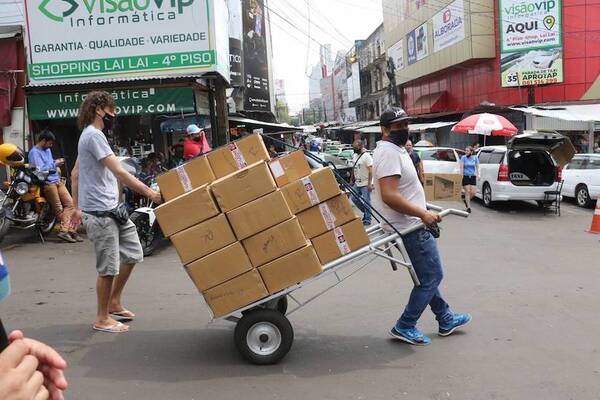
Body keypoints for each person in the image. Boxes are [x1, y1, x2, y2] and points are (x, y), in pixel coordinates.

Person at [372, 107, 471, 346]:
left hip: (410, 222)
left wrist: (424, 207)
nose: (403, 129)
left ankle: (445, 318)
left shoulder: (396, 150)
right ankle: (405, 325)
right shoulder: (388, 154)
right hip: (409, 226)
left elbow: (404, 190)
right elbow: (389, 196)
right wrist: (422, 214)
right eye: (397, 126)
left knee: (426, 277)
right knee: (432, 276)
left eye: (405, 124)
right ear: (385, 129)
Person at [70, 91, 163, 333]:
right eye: (112, 110)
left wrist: (76, 207)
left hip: (114, 210)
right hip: (100, 214)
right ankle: (102, 318)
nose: (115, 114)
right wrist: (151, 194)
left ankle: (113, 302)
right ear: (99, 109)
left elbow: (76, 173)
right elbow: (120, 172)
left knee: (133, 253)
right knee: (108, 268)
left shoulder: (93, 136)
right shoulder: (93, 136)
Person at [28, 130, 82, 243]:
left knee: (71, 204)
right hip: (47, 183)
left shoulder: (47, 150)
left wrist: (55, 162)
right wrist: (54, 163)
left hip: (57, 180)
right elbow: (40, 170)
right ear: (43, 140)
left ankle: (68, 231)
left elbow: (49, 164)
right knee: (58, 209)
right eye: (50, 143)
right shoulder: (34, 153)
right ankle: (67, 231)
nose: (51, 146)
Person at [350, 139, 373, 226]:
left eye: (355, 147)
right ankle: (367, 212)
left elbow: (371, 170)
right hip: (357, 182)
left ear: (361, 146)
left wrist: (370, 184)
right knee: (353, 198)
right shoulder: (355, 155)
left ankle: (368, 219)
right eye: (353, 147)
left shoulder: (366, 156)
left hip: (365, 182)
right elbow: (353, 168)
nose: (354, 149)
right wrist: (351, 179)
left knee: (367, 201)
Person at [459, 146, 480, 213]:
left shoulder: (475, 157)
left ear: (471, 152)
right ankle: (469, 207)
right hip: (466, 176)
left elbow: (478, 167)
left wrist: (479, 174)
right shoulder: (463, 158)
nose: (466, 152)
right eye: (465, 150)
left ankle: (466, 200)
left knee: (473, 192)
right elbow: (461, 167)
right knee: (467, 191)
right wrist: (461, 176)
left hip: (473, 176)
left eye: (467, 151)